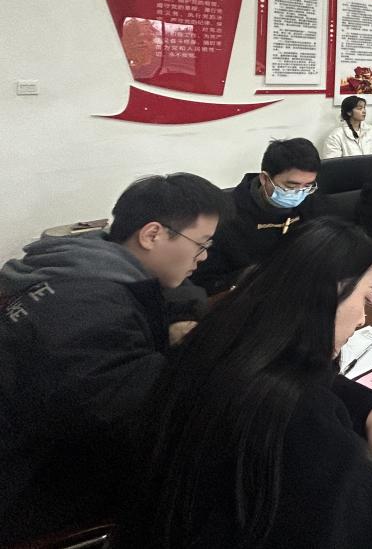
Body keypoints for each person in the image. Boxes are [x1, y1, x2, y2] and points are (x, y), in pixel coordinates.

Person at [124, 218, 372, 548]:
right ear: (329, 295)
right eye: (362, 299)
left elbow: (301, 374)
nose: (362, 319)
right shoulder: (299, 416)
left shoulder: (226, 334)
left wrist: (370, 410)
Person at [0, 174, 226, 544]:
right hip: (29, 481)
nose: (202, 258)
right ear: (152, 234)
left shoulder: (82, 262)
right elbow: (137, 418)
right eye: (200, 245)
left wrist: (174, 325)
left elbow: (170, 295)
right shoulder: (89, 314)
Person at [192, 138, 325, 295]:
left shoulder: (311, 201)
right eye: (291, 186)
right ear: (264, 179)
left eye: (307, 186)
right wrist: (252, 275)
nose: (299, 194)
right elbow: (206, 282)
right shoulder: (225, 217)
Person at [322, 95, 372, 159]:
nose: (364, 111)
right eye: (359, 108)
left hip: (371, 165)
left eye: (364, 108)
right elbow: (332, 161)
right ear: (349, 112)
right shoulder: (336, 135)